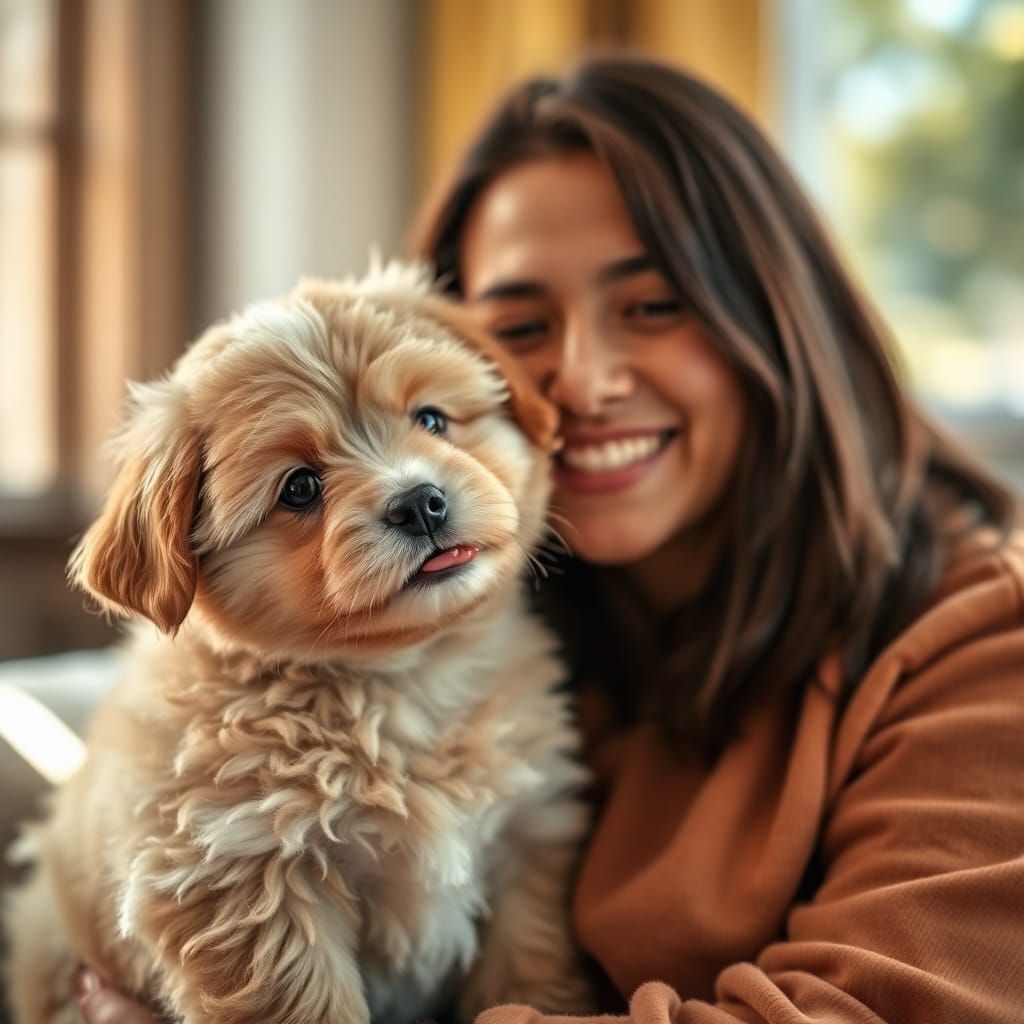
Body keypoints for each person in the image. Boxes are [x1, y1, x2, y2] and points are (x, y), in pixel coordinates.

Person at [75, 55, 1024, 1024]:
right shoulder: (551, 607)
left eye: (652, 306)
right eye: (522, 325)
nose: (581, 382)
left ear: (781, 318)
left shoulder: (985, 644)